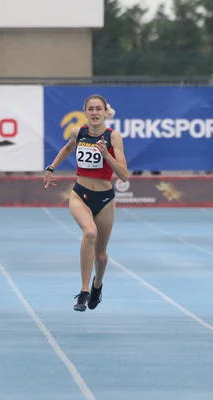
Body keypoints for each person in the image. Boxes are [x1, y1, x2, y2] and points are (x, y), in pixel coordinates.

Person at [44, 94, 129, 312]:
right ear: (85, 112)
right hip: (80, 194)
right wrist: (51, 168)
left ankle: (97, 285)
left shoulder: (113, 137)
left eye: (98, 109)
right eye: (90, 109)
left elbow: (124, 175)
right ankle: (83, 292)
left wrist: (106, 155)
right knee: (89, 232)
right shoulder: (79, 132)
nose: (94, 113)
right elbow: (67, 148)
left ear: (104, 112)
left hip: (105, 198)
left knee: (100, 256)